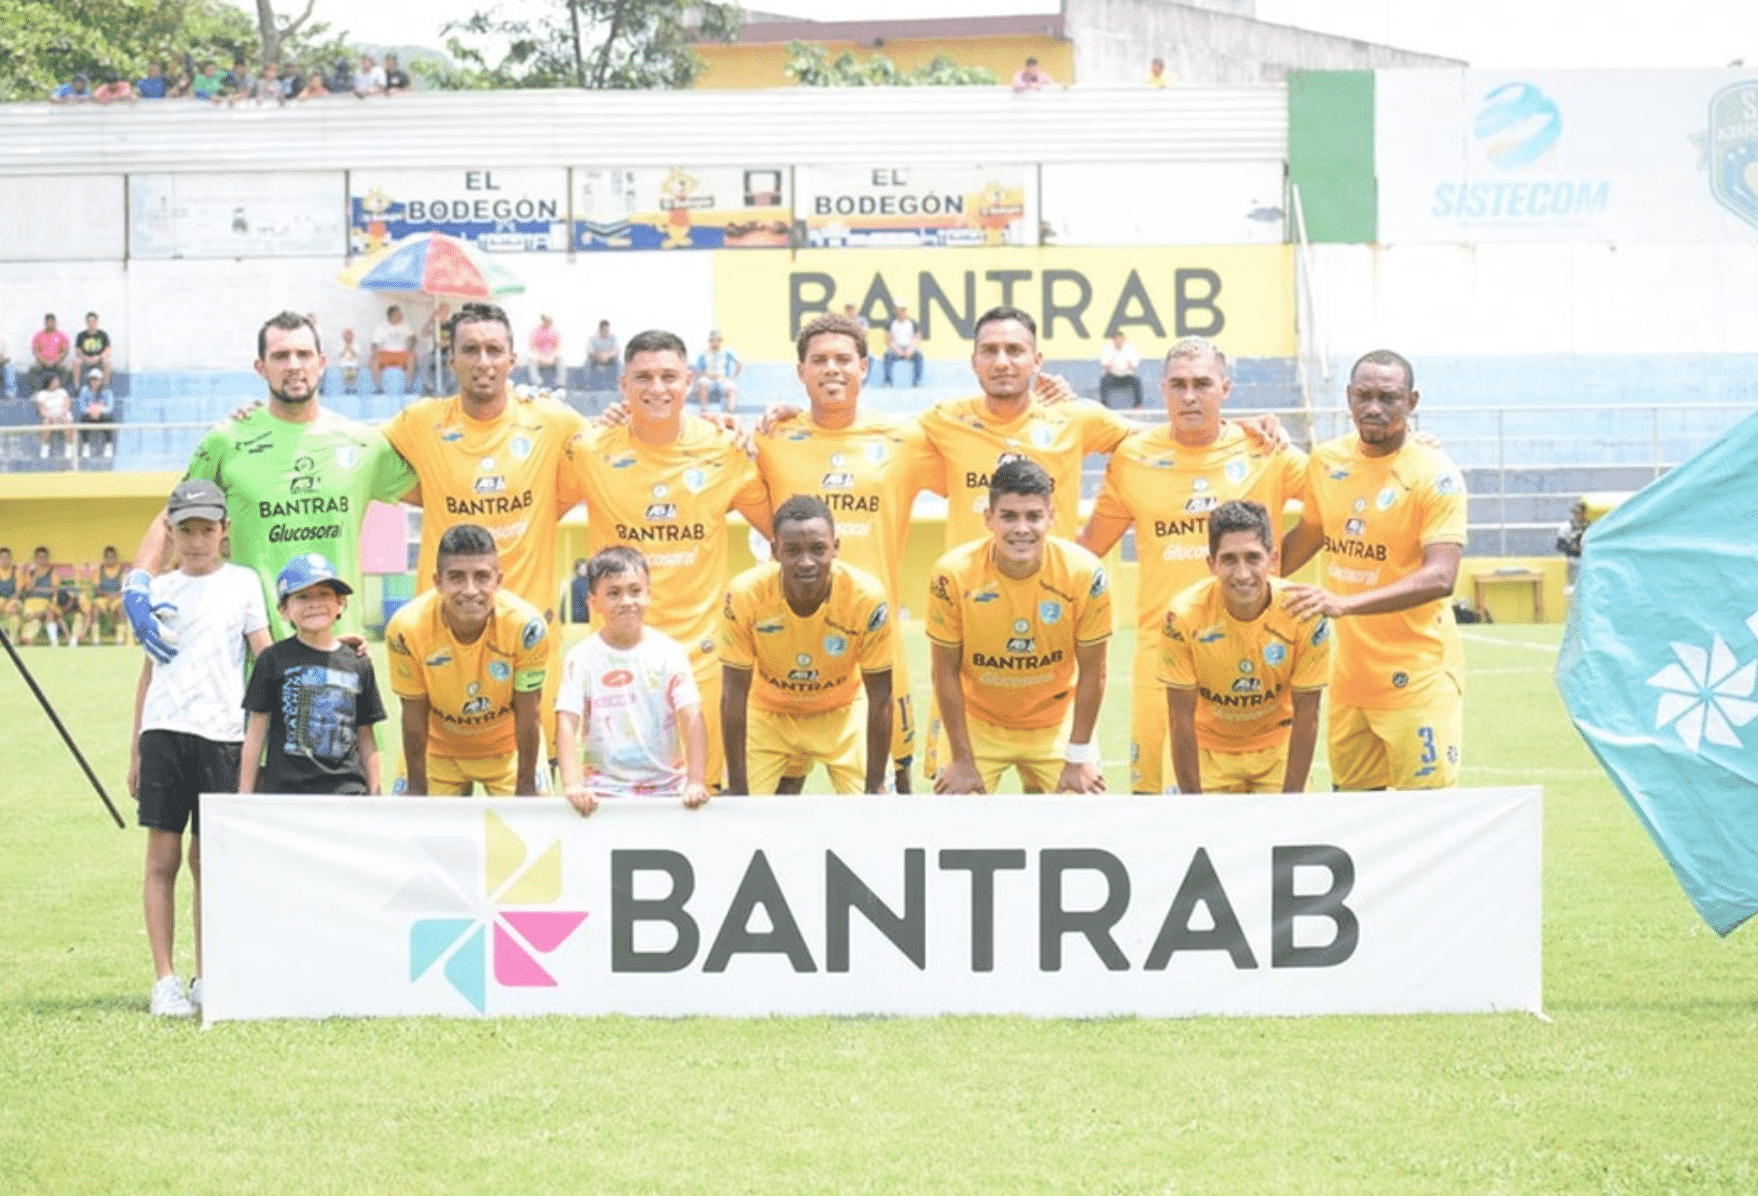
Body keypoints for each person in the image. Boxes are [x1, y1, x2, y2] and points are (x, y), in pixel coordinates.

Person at [1077, 336, 1307, 794]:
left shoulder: (1266, 450)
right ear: (1161, 389)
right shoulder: (1133, 458)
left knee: (1262, 804)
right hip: (1160, 654)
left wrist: (1277, 568)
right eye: (1178, 385)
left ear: (1226, 389)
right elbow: (1087, 552)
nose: (1189, 396)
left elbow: (1337, 501)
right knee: (1154, 799)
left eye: (1202, 384)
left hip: (1253, 655)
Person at [126, 312, 418, 655]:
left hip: (341, 653)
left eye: (304, 355)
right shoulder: (227, 440)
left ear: (322, 363)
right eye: (280, 356)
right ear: (260, 368)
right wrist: (137, 585)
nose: (294, 365)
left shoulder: (363, 444)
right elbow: (172, 514)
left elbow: (439, 497)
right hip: (257, 656)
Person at [565, 329, 773, 790]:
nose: (656, 388)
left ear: (690, 380)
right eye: (643, 378)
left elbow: (781, 530)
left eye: (668, 377)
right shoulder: (590, 451)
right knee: (614, 796)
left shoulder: (725, 449)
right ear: (624, 385)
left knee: (704, 794)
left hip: (700, 658)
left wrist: (777, 422)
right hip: (615, 661)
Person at [383, 303, 588, 750]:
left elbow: (615, 449)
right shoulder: (419, 423)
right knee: (439, 796)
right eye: (470, 350)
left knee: (530, 797)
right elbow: (352, 453)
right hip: (441, 637)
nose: (483, 362)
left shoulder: (553, 422)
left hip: (527, 641)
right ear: (451, 358)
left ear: (513, 359)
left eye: (494, 350)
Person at [753, 313, 942, 792]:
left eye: (843, 359)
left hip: (876, 638)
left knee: (891, 785)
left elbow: (979, 462)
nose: (831, 369)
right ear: (801, 372)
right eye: (819, 360)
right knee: (777, 794)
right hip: (792, 635)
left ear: (865, 366)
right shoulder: (772, 439)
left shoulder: (906, 440)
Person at [1281, 349, 1469, 791]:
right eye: (1364, 395)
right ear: (1348, 397)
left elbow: (1441, 576)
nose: (1374, 408)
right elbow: (1304, 540)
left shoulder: (1434, 474)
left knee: (1425, 821)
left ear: (1412, 402)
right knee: (1357, 820)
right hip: (1349, 682)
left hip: (1417, 679)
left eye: (1389, 397)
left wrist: (1344, 604)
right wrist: (1233, 584)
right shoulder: (1326, 462)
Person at [126, 478, 272, 1016]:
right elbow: (148, 674)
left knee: (209, 861)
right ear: (171, 533)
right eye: (185, 530)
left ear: (224, 531)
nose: (196, 541)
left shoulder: (243, 584)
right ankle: (164, 978)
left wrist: (328, 653)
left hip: (224, 739)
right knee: (162, 859)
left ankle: (209, 974)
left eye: (206, 530)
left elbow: (265, 657)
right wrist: (136, 749)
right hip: (166, 735)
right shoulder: (157, 590)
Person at [926, 458, 1111, 794]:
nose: (1021, 529)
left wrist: (1077, 759)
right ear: (988, 519)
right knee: (957, 809)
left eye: (1034, 516)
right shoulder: (952, 573)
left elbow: (1094, 671)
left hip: (1054, 721)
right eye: (1009, 516)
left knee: (1080, 805)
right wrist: (963, 761)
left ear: (1051, 517)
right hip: (978, 721)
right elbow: (944, 671)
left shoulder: (1084, 573)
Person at [722, 495, 894, 796]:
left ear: (836, 548)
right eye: (792, 551)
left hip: (841, 714)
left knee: (876, 817)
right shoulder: (745, 595)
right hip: (769, 715)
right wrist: (738, 789)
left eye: (818, 549)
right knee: (737, 818)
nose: (806, 562)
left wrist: (876, 784)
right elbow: (732, 694)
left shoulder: (866, 596)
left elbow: (881, 696)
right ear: (774, 551)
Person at [1159, 500, 1329, 794]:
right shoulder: (1183, 616)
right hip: (1206, 751)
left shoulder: (1304, 614)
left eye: (1253, 558)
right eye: (1228, 560)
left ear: (1273, 559)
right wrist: (1192, 804)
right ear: (1210, 564)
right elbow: (1180, 718)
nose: (1242, 574)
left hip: (1277, 751)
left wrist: (1292, 799)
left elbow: (1308, 714)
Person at [385, 524, 548, 796]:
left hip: (507, 750)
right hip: (437, 751)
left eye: (482, 577)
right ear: (438, 582)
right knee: (415, 831)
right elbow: (413, 712)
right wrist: (416, 788)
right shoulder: (406, 628)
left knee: (531, 831)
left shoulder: (526, 626)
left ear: (498, 580)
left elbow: (529, 712)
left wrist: (526, 786)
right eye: (457, 577)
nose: (470, 590)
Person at [555, 547, 710, 814]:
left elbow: (692, 716)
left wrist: (695, 781)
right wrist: (571, 785)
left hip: (668, 790)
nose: (626, 601)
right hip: (602, 792)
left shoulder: (670, 652)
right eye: (613, 593)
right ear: (593, 603)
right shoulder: (581, 657)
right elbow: (567, 720)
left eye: (635, 591)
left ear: (649, 595)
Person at [240, 554, 386, 796]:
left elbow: (366, 737)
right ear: (284, 610)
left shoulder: (358, 662)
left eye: (324, 594)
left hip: (346, 794)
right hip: (286, 793)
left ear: (341, 603)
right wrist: (244, 794)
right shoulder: (272, 659)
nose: (314, 603)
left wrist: (375, 795)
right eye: (302, 597)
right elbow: (256, 732)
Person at [693, 329, 741, 415]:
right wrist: (706, 375)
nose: (717, 342)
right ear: (710, 341)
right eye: (714, 340)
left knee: (732, 388)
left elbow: (739, 363)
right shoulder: (703, 353)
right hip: (709, 379)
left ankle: (730, 413)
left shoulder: (727, 351)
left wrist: (733, 377)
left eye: (719, 340)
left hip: (722, 379)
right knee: (702, 382)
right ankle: (704, 410)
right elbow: (699, 370)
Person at [370, 305, 416, 392]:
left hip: (402, 353)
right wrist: (374, 352)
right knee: (373, 359)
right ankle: (379, 388)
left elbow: (413, 338)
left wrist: (411, 348)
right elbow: (374, 343)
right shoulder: (382, 326)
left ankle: (407, 387)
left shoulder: (405, 325)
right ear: (392, 315)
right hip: (385, 353)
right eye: (398, 314)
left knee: (411, 358)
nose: (401, 315)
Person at [92, 545, 129, 644]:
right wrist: (107, 594)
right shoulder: (99, 571)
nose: (110, 559)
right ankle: (96, 639)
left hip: (116, 598)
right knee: (95, 608)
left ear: (115, 558)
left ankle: (119, 639)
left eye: (112, 557)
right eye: (108, 557)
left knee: (121, 608)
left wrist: (115, 595)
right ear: (105, 558)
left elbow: (124, 588)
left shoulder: (121, 571)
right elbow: (96, 589)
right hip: (103, 598)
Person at [76, 368, 116, 458]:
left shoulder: (107, 392)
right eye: (92, 379)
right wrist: (91, 411)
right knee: (83, 418)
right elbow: (82, 407)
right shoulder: (84, 391)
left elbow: (110, 408)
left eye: (96, 379)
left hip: (101, 416)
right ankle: (85, 445)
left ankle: (108, 445)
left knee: (109, 418)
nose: (94, 382)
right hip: (90, 416)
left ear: (101, 380)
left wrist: (99, 410)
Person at [34, 372, 73, 460]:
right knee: (46, 423)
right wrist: (49, 417)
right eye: (55, 380)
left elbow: (67, 405)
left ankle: (69, 448)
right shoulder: (42, 394)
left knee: (67, 422)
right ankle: (45, 448)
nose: (57, 382)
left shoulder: (62, 392)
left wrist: (62, 414)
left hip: (63, 415)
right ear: (49, 382)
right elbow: (42, 410)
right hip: (50, 416)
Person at [1098, 331, 1141, 409]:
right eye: (1116, 340)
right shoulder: (1107, 349)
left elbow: (1134, 366)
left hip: (1127, 376)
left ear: (1124, 340)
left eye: (1120, 340)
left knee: (1136, 381)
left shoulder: (1131, 349)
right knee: (1104, 380)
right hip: (1113, 376)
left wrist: (1129, 365)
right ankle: (1104, 404)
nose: (1118, 343)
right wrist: (1111, 365)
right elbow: (1104, 365)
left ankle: (1137, 405)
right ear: (1113, 340)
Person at [883, 305, 923, 388]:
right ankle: (887, 382)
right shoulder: (890, 323)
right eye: (899, 310)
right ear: (896, 311)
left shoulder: (913, 323)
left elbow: (917, 337)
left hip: (909, 348)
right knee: (887, 355)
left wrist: (911, 349)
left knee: (919, 355)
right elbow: (888, 340)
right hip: (896, 348)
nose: (901, 312)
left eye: (903, 310)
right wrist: (897, 350)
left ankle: (918, 381)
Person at [29, 313, 70, 393]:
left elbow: (65, 351)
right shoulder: (39, 335)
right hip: (42, 362)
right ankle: (38, 391)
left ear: (55, 323)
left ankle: (59, 389)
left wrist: (55, 361)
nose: (51, 324)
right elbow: (35, 351)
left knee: (66, 369)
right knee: (33, 369)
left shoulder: (61, 335)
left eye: (52, 322)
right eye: (49, 322)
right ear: (45, 323)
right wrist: (44, 361)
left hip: (57, 362)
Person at [51, 569, 91, 647]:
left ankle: (74, 639)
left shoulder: (81, 598)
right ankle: (55, 640)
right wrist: (66, 633)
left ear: (71, 600)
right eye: (63, 607)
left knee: (78, 617)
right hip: (64, 617)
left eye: (66, 606)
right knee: (51, 614)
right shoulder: (56, 599)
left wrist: (84, 631)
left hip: (77, 613)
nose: (65, 608)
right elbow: (59, 617)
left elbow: (88, 615)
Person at [75, 313, 113, 389]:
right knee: (76, 362)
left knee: (107, 362)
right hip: (85, 359)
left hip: (99, 359)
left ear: (96, 322)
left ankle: (105, 385)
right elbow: (78, 351)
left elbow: (108, 350)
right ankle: (77, 386)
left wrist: (98, 357)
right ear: (86, 322)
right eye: (89, 321)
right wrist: (86, 358)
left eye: (93, 321)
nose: (91, 324)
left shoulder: (103, 334)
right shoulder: (81, 335)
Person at [1557, 500, 1588, 589]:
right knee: (1571, 587)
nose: (1576, 515)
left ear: (1584, 513)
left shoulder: (1589, 526)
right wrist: (1571, 547)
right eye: (1575, 513)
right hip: (1571, 560)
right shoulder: (1566, 527)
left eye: (1579, 513)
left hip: (1585, 560)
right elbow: (1559, 545)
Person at [584, 319, 620, 392]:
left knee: (618, 363)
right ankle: (587, 385)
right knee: (587, 363)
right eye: (604, 330)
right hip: (596, 359)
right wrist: (599, 355)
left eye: (607, 330)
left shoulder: (613, 338)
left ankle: (618, 385)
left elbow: (616, 351)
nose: (606, 332)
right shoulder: (593, 338)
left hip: (609, 358)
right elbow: (589, 351)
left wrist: (607, 355)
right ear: (600, 329)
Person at [529, 314, 562, 390]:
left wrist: (552, 356)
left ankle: (560, 383)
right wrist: (541, 356)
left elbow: (558, 346)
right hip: (540, 357)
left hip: (551, 357)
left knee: (561, 357)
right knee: (531, 357)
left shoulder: (555, 331)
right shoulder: (536, 331)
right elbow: (532, 346)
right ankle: (536, 382)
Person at [0, 547, 21, 641]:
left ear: (10, 559)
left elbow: (18, 591)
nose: (4, 560)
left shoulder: (15, 571)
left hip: (13, 600)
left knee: (14, 611)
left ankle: (12, 640)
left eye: (6, 558)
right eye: (2, 558)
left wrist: (7, 603)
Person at [336, 327, 361, 393]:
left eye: (350, 336)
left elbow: (356, 354)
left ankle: (353, 388)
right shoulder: (342, 345)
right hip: (344, 366)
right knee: (345, 375)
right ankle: (347, 389)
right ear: (343, 337)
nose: (348, 338)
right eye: (346, 336)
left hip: (354, 366)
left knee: (354, 375)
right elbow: (341, 354)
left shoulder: (355, 345)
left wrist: (350, 347)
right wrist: (345, 347)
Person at [567, 558, 590, 624]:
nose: (585, 571)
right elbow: (586, 598)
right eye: (583, 569)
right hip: (582, 616)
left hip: (572, 615)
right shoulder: (583, 581)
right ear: (578, 570)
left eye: (586, 569)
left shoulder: (573, 581)